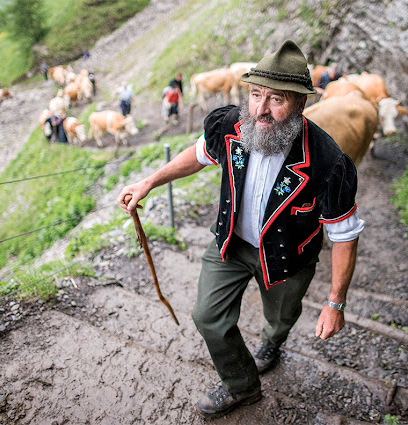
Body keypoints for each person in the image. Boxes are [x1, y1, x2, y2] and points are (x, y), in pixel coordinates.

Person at [117, 40, 364, 418]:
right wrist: (150, 181)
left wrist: (335, 303)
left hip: (288, 259)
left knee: (280, 318)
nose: (261, 109)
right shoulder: (231, 125)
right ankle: (242, 386)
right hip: (230, 242)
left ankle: (272, 343)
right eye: (255, 95)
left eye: (276, 99)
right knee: (207, 316)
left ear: (300, 104)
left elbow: (345, 234)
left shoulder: (328, 161)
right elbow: (198, 155)